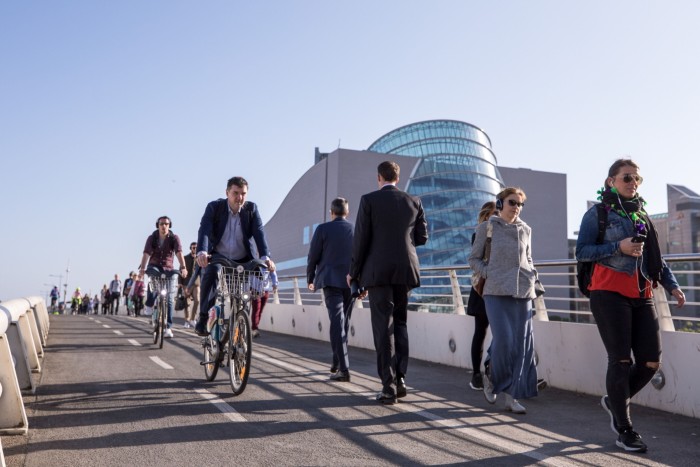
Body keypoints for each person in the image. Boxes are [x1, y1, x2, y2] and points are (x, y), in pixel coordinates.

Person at [575, 158, 686, 453]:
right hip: (608, 292)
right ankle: (625, 429)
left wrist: (673, 285)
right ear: (611, 181)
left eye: (637, 178)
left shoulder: (643, 216)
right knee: (621, 360)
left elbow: (656, 258)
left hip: (642, 293)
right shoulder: (597, 213)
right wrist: (617, 247)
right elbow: (582, 251)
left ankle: (614, 400)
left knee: (651, 362)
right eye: (627, 177)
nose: (633, 182)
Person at [348, 161, 428, 404]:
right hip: (405, 270)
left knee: (383, 328)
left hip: (378, 272)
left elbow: (361, 239)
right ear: (397, 176)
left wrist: (354, 273)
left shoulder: (369, 200)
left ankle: (388, 386)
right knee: (400, 324)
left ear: (379, 177)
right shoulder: (414, 201)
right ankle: (401, 378)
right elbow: (422, 237)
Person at [469, 187, 538, 415]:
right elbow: (474, 258)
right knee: (504, 340)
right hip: (496, 292)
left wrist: (532, 275)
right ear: (500, 203)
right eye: (512, 202)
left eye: (520, 204)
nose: (516, 207)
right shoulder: (486, 227)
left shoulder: (526, 229)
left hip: (522, 292)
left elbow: (528, 258)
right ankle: (491, 378)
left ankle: (511, 396)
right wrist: (489, 273)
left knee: (520, 346)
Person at [194, 176, 275, 336]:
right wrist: (202, 251)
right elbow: (204, 229)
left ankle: (240, 326)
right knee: (211, 273)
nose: (240, 198)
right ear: (227, 193)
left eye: (243, 194)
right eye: (235, 193)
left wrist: (266, 255)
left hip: (243, 259)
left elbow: (259, 233)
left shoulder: (251, 209)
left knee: (243, 296)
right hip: (219, 257)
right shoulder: (214, 207)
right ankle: (203, 318)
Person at [307, 197, 355, 382]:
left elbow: (313, 256)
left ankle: (344, 369)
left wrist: (310, 278)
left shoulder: (323, 229)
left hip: (330, 281)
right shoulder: (355, 230)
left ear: (331, 212)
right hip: (351, 282)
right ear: (347, 212)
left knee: (337, 322)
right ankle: (337, 362)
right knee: (344, 323)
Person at [137, 215, 188, 338]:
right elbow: (146, 254)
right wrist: (143, 268)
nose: (164, 226)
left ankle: (168, 328)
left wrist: (183, 267)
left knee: (170, 299)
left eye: (166, 224)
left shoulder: (174, 238)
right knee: (152, 283)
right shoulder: (152, 237)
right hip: (154, 266)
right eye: (161, 224)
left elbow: (179, 253)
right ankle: (149, 303)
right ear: (157, 225)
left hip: (168, 268)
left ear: (169, 225)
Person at [467, 201, 497, 391]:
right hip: (482, 287)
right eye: (494, 214)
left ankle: (490, 364)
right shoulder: (479, 233)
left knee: (501, 332)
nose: (497, 217)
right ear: (486, 216)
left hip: (500, 288)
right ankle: (476, 373)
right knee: (481, 331)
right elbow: (478, 258)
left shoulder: (506, 233)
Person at [250, 268, 278, 338]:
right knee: (256, 309)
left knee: (260, 310)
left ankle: (255, 327)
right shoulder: (254, 262)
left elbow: (273, 274)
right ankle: (255, 328)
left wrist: (275, 284)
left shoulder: (269, 263)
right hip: (255, 289)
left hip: (265, 290)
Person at [182, 242, 198, 328]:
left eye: (196, 248)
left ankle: (193, 319)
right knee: (187, 303)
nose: (195, 249)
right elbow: (181, 269)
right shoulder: (185, 258)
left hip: (197, 283)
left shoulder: (200, 258)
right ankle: (187, 321)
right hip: (186, 283)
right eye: (193, 248)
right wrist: (180, 283)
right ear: (190, 248)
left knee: (197, 300)